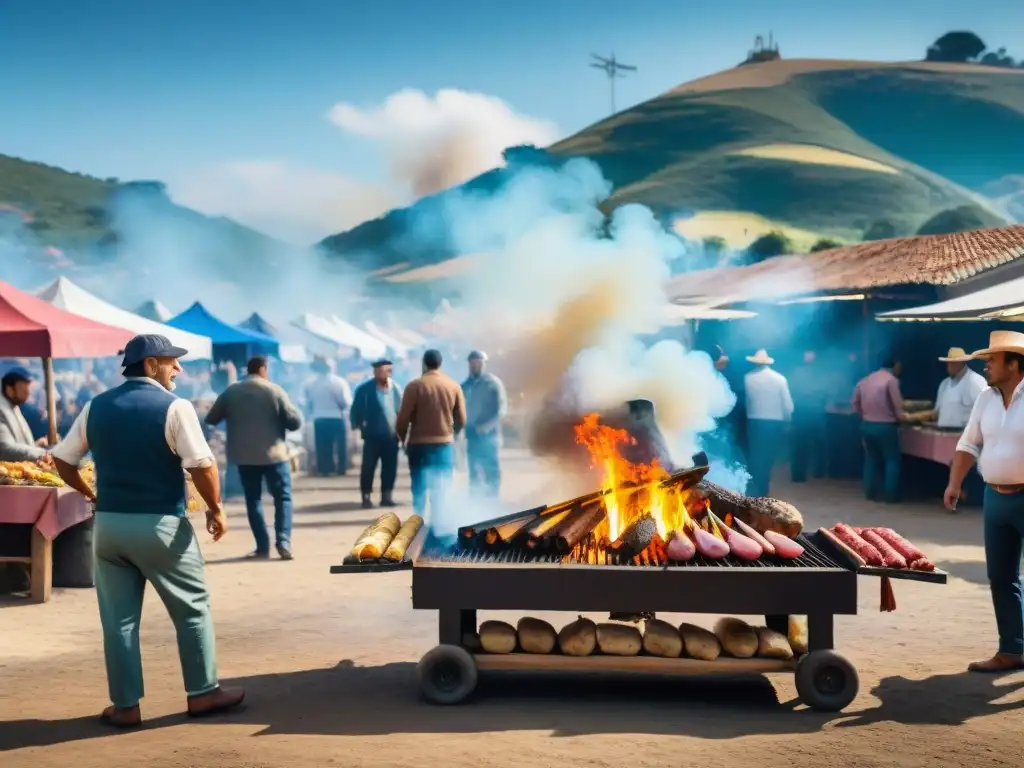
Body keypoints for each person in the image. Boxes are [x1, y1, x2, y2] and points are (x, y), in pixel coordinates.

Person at [50, 334, 243, 728]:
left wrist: (92, 494)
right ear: (151, 364)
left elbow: (62, 460)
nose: (179, 368)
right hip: (161, 527)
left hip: (110, 528)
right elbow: (203, 466)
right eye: (172, 361)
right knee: (191, 610)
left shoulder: (95, 406)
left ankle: (125, 706)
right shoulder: (175, 407)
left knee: (118, 621)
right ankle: (203, 693)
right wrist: (216, 508)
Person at [943, 330, 1024, 673]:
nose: (987, 365)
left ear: (1015, 363)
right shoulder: (986, 398)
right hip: (995, 497)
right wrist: (954, 482)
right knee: (1001, 577)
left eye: (993, 359)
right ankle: (1013, 649)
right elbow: (968, 442)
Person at [205, 356, 302, 560]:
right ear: (263, 369)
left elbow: (211, 418)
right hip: (274, 455)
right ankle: (283, 541)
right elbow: (294, 422)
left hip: (244, 456)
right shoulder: (274, 390)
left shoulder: (231, 391)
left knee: (253, 500)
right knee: (282, 498)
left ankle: (262, 546)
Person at [395, 349, 466, 518]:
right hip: (444, 445)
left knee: (419, 488)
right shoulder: (453, 386)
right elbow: (462, 419)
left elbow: (403, 419)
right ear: (440, 364)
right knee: (441, 488)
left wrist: (402, 439)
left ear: (424, 364)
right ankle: (438, 524)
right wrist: (452, 434)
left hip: (418, 445)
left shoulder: (414, 386)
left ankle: (419, 523)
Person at [350, 358, 403, 509]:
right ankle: (366, 496)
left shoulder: (396, 389)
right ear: (374, 372)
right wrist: (359, 426)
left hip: (391, 436)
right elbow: (355, 410)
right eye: (379, 371)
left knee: (390, 467)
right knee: (368, 467)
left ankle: (387, 496)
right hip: (371, 436)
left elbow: (401, 411)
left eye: (386, 371)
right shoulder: (365, 390)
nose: (383, 374)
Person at [852, 358, 906, 503]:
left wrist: (864, 415)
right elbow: (898, 406)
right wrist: (902, 418)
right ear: (895, 365)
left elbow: (855, 403)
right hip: (885, 426)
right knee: (892, 460)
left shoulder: (864, 380)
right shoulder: (891, 380)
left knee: (870, 459)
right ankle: (890, 495)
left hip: (866, 425)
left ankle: (869, 492)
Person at [743, 349, 793, 497]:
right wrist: (788, 421)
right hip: (774, 422)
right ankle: (764, 487)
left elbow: (746, 402)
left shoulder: (747, 378)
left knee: (756, 455)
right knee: (769, 456)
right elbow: (788, 405)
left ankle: (755, 487)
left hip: (754, 420)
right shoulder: (780, 379)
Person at [461, 350, 508, 497]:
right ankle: (475, 503)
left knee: (491, 471)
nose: (475, 365)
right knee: (474, 470)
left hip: (489, 436)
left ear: (484, 364)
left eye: (478, 363)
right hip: (471, 435)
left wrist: (487, 426)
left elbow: (501, 410)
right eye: (472, 363)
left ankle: (492, 502)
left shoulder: (493, 383)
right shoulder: (465, 386)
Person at [305, 357, 352, 476]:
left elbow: (308, 402)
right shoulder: (339, 382)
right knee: (340, 445)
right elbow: (345, 402)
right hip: (336, 417)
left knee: (322, 446)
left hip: (319, 418)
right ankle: (341, 468)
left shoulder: (310, 383)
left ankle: (325, 469)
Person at [789, 350, 828, 482]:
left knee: (801, 445)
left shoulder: (796, 373)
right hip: (814, 411)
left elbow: (792, 391)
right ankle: (817, 472)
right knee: (817, 444)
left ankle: (799, 475)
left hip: (803, 411)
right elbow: (825, 392)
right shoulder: (821, 374)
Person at [0, 366, 49, 462]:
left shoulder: (14, 406)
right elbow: (5, 449)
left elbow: (17, 443)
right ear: (10, 389)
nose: (28, 392)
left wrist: (35, 446)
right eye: (24, 387)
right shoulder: (2, 409)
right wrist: (41, 453)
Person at [930, 347, 987, 428]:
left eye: (953, 363)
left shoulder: (977, 382)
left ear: (962, 363)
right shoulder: (944, 384)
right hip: (943, 436)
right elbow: (937, 413)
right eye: (948, 363)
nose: (949, 366)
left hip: (965, 437)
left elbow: (986, 413)